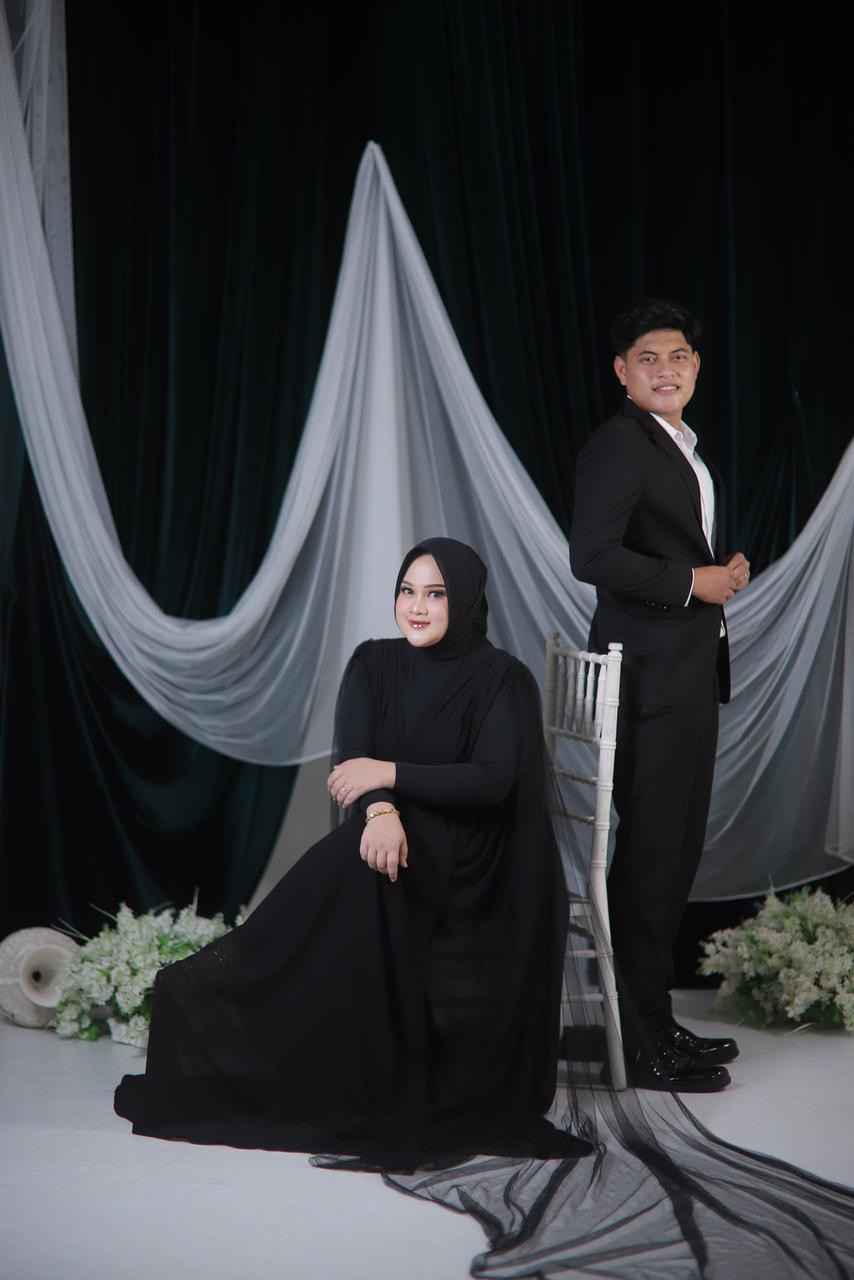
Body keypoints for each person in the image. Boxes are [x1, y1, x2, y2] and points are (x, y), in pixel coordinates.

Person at [114, 537, 592, 1168]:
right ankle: (265, 1013)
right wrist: (383, 809)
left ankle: (292, 1012)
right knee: (364, 861)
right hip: (393, 836)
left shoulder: (504, 680)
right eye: (407, 591)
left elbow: (491, 782)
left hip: (480, 856)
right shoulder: (372, 663)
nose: (416, 607)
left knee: (363, 869)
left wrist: (387, 774)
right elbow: (352, 765)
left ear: (467, 600)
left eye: (436, 594)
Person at [570, 299, 751, 1092]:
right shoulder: (620, 444)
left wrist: (717, 574)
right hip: (650, 680)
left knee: (669, 855)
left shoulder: (679, 445)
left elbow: (671, 544)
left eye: (678, 356)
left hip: (682, 673)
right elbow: (591, 555)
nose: (666, 369)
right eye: (648, 358)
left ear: (696, 367)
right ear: (623, 372)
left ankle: (651, 1019)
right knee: (651, 858)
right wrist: (690, 583)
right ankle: (637, 1041)